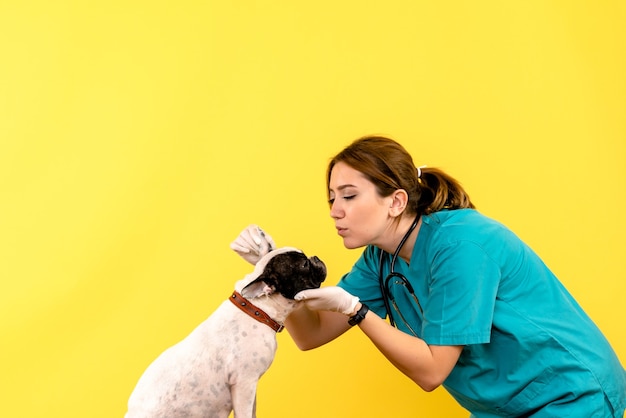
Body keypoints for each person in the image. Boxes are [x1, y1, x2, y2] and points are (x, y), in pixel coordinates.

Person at [230, 135, 626, 417]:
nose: (335, 210)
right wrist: (272, 268)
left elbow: (432, 372)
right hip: (506, 405)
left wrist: (358, 312)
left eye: (349, 196)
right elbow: (310, 335)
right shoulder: (380, 259)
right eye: (331, 198)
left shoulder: (461, 246)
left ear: (396, 201)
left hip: (569, 394)